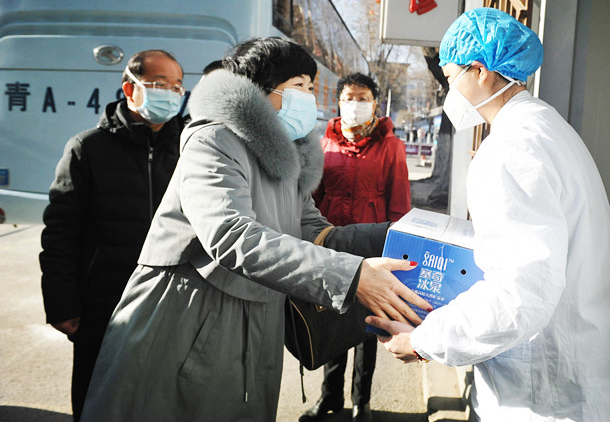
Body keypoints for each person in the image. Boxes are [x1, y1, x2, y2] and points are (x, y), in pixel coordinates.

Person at [79, 37, 430, 422]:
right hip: (188, 317)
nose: (309, 98)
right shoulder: (213, 140)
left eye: (311, 88)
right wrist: (350, 276)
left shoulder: (286, 156)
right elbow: (230, 233)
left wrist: (392, 238)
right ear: (261, 89)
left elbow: (313, 230)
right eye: (299, 86)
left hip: (256, 316)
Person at [367, 8, 610, 422]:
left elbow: (519, 295)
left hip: (557, 392)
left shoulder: (509, 149)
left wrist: (424, 340)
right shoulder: (547, 126)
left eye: (450, 78)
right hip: (596, 369)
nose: (449, 93)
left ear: (480, 71)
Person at [39, 49, 185, 420]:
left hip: (171, 305)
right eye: (159, 84)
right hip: (103, 306)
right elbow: (60, 231)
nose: (171, 93)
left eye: (178, 86)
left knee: (162, 402)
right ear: (130, 89)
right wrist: (62, 304)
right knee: (97, 401)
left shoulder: (190, 149)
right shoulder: (88, 148)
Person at [302, 73, 411, 422]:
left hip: (372, 249)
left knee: (368, 326)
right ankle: (329, 396)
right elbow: (311, 200)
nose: (355, 104)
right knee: (332, 320)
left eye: (363, 98)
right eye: (349, 97)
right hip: (333, 247)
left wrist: (399, 254)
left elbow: (400, 207)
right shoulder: (324, 145)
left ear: (375, 103)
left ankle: (361, 402)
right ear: (338, 102)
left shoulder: (391, 147)